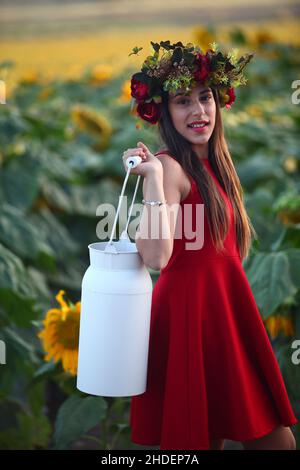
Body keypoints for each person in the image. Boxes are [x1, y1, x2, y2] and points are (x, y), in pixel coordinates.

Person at [122, 40, 298, 450]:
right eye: (183, 101)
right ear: (163, 111)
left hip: (225, 311)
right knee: (201, 440)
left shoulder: (216, 162)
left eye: (205, 98)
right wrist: (150, 178)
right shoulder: (169, 167)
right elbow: (155, 257)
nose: (199, 111)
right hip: (188, 316)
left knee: (271, 440)